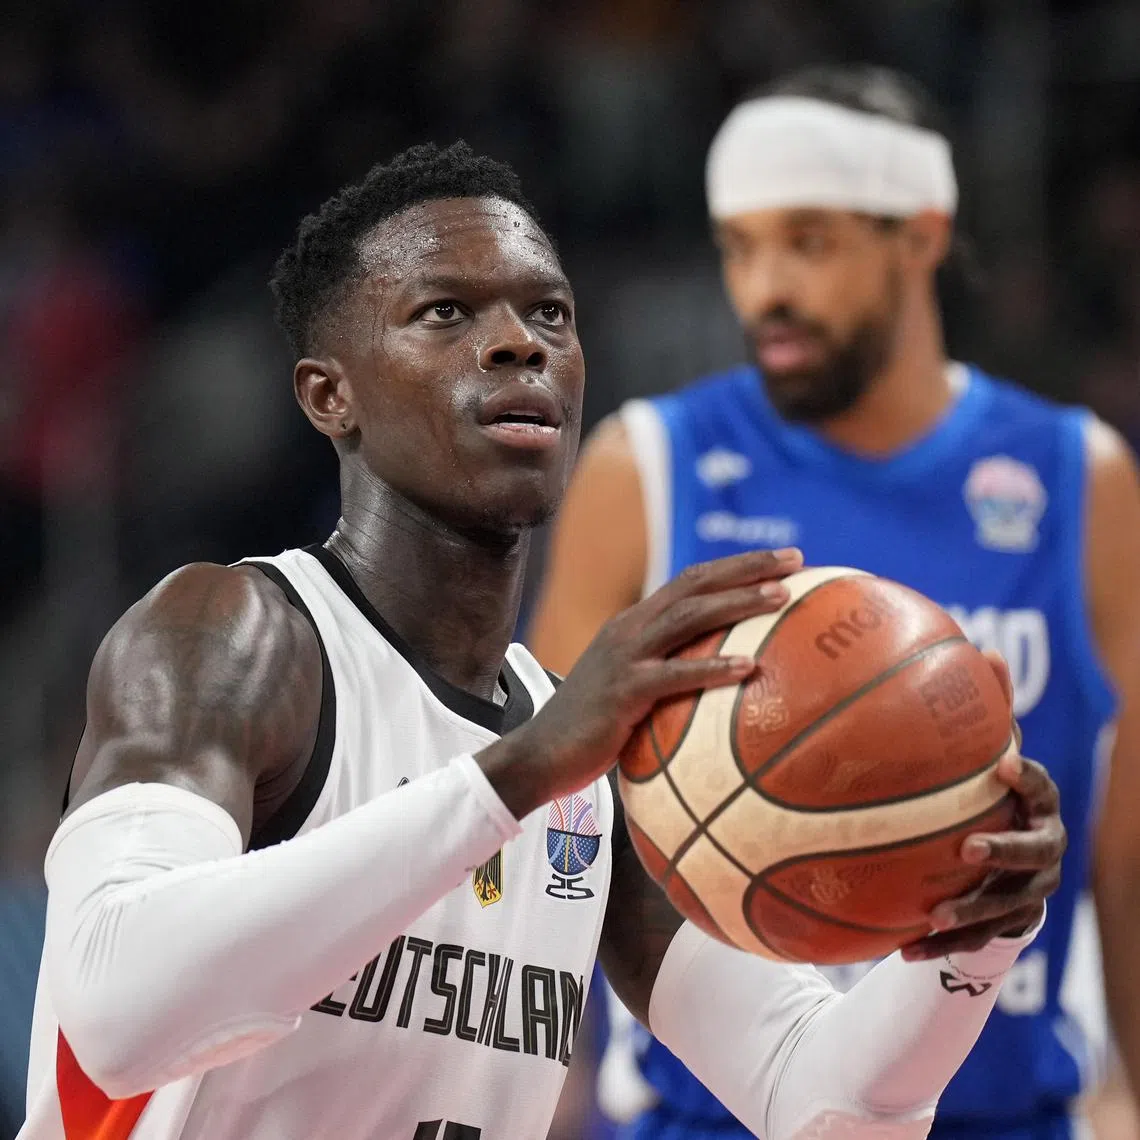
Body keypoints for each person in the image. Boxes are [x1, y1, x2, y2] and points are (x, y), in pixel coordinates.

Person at [20, 142, 1063, 1140]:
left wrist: (967, 946)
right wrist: (514, 777)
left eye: (549, 314)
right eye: (445, 313)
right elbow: (117, 1008)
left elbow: (823, 1105)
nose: (520, 342)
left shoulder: (593, 765)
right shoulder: (231, 638)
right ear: (328, 395)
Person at [528, 66, 1140, 1140]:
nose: (765, 288)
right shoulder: (649, 467)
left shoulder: (1078, 478)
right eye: (741, 246)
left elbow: (1129, 856)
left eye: (808, 243)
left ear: (921, 235)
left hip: (1005, 1112)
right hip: (708, 1116)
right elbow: (547, 822)